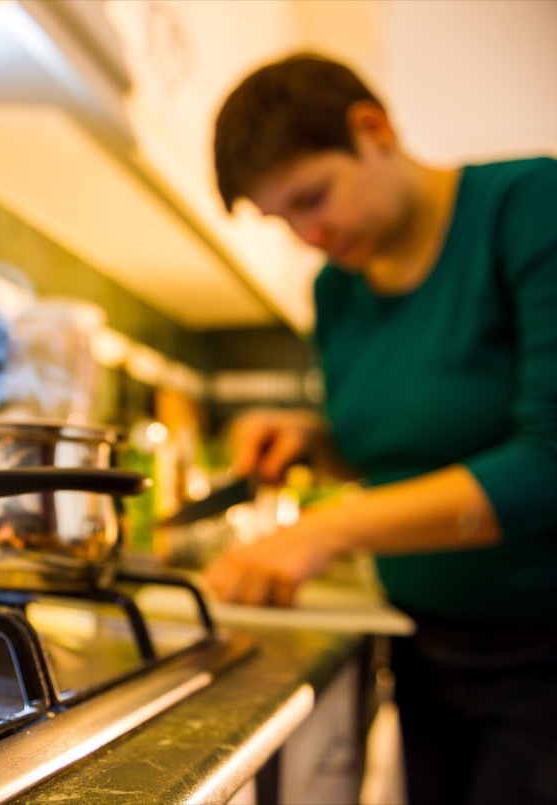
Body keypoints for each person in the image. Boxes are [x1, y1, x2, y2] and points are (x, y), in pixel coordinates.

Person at [203, 52, 557, 804]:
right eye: (283, 219)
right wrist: (313, 438)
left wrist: (326, 531)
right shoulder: (338, 290)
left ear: (372, 129)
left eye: (312, 197)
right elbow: (398, 452)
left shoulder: (532, 203)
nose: (308, 234)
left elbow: (547, 461)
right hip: (422, 643)